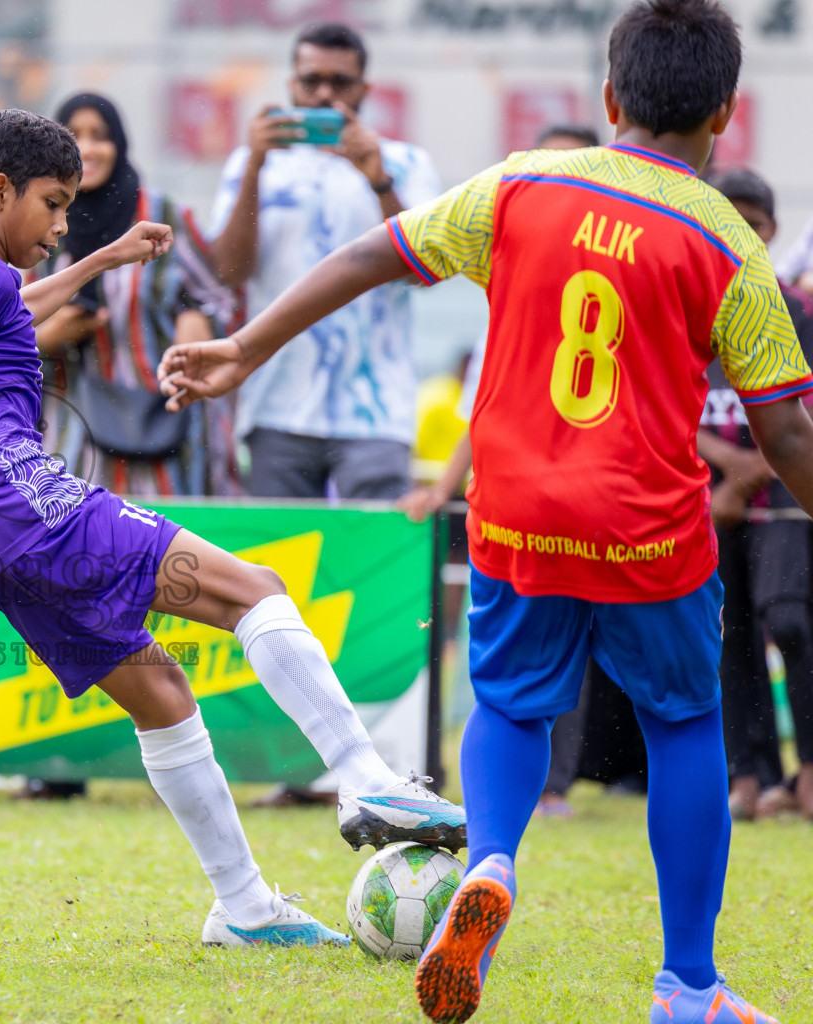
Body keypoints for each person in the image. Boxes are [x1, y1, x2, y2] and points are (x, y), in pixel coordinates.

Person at [160, 2, 802, 1019]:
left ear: (608, 98)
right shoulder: (728, 239)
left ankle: (492, 860)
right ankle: (687, 983)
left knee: (506, 702)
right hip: (647, 523)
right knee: (685, 724)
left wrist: (246, 348)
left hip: (513, 511)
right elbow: (786, 434)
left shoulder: (518, 186)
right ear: (724, 111)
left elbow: (371, 255)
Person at [0, 108, 465, 948]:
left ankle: (245, 909)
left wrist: (106, 258)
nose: (59, 223)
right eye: (52, 203)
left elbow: (12, 307)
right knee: (255, 591)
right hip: (35, 509)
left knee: (160, 694)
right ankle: (364, 777)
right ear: (0, 189)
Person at [400, 123, 604, 819]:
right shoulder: (506, 291)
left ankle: (539, 799)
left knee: (567, 650)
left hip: (595, 496)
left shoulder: (613, 275)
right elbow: (482, 406)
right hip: (510, 501)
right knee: (494, 659)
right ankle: (495, 815)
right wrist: (440, 486)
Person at [208, 23, 440, 501]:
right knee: (280, 563)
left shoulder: (406, 163)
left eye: (340, 83)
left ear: (365, 90)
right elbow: (228, 272)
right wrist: (255, 166)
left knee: (375, 563)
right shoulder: (251, 161)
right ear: (291, 84)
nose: (324, 94)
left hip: (375, 409)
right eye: (311, 81)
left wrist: (378, 179)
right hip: (277, 401)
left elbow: (427, 271)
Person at [38, 92, 238, 498]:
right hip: (75, 422)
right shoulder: (38, 222)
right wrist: (49, 334)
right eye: (74, 136)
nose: (88, 148)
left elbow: (217, 298)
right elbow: (7, 324)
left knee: (176, 547)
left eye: (101, 135)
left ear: (120, 145)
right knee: (83, 542)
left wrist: (196, 318)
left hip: (166, 419)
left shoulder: (161, 216)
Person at [698, 166, 813, 823]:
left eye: (755, 223)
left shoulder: (797, 310)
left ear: (772, 231)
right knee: (726, 633)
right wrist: (726, 471)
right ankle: (749, 772)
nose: (742, 234)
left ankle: (808, 770)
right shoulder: (688, 302)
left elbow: (798, 418)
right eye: (729, 219)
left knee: (791, 622)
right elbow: (666, 408)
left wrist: (748, 473)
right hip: (706, 500)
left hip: (782, 500)